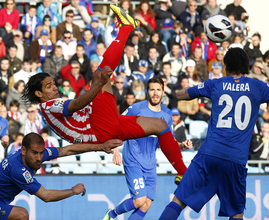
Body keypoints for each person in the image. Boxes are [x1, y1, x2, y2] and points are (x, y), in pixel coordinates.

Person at [23, 5, 189, 179]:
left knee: (160, 125)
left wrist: (100, 146)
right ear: (39, 94)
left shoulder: (50, 112)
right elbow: (76, 104)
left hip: (105, 130)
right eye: (49, 86)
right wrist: (100, 83)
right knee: (97, 76)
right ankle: (126, 28)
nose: (55, 87)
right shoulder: (48, 106)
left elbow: (69, 148)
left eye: (52, 83)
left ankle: (182, 172)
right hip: (99, 128)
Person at [159, 47, 269, 220]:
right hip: (235, 159)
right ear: (246, 65)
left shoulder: (215, 84)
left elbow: (182, 94)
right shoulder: (258, 87)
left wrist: (177, 92)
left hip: (209, 155)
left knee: (178, 200)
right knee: (237, 213)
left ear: (226, 65)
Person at [0, 132, 123, 219]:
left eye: (41, 153)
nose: (38, 158)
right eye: (34, 153)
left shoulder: (36, 155)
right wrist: (73, 191)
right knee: (22, 214)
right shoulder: (18, 169)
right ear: (23, 150)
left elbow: (66, 150)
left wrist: (100, 147)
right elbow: (46, 196)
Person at [103, 78, 192, 220]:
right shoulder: (136, 109)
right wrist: (115, 151)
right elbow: (115, 126)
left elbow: (168, 141)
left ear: (163, 92)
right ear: (147, 92)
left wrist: (182, 145)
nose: (155, 93)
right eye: (152, 90)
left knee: (146, 204)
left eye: (158, 90)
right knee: (139, 200)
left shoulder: (167, 114)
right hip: (133, 159)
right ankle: (112, 214)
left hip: (150, 163)